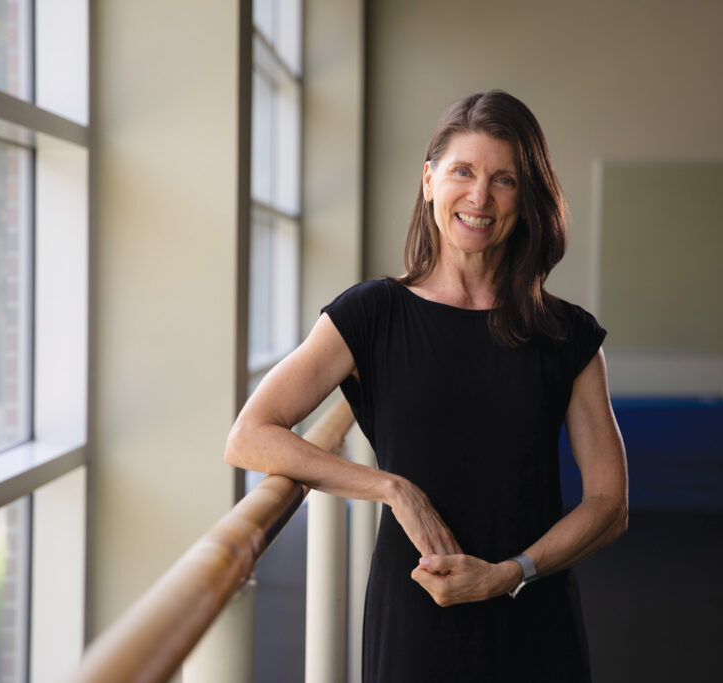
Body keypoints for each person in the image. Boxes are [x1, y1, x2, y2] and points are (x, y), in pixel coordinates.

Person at [226, 90, 628, 682]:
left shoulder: (565, 334)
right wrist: (391, 488)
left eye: (505, 180)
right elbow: (250, 436)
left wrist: (511, 572)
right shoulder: (371, 314)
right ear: (429, 181)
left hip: (532, 615)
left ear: (527, 197)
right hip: (416, 611)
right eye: (462, 171)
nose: (480, 196)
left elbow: (609, 504)